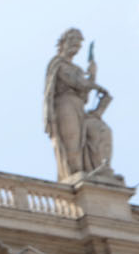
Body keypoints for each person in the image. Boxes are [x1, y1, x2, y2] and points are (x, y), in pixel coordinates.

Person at [42, 28, 104, 181]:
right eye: (73, 42)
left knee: (83, 141)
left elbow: (85, 95)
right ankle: (73, 176)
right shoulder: (57, 63)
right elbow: (75, 82)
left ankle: (84, 174)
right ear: (64, 43)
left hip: (78, 106)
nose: (76, 47)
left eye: (78, 45)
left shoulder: (78, 69)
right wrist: (92, 83)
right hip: (64, 105)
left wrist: (93, 76)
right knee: (71, 140)